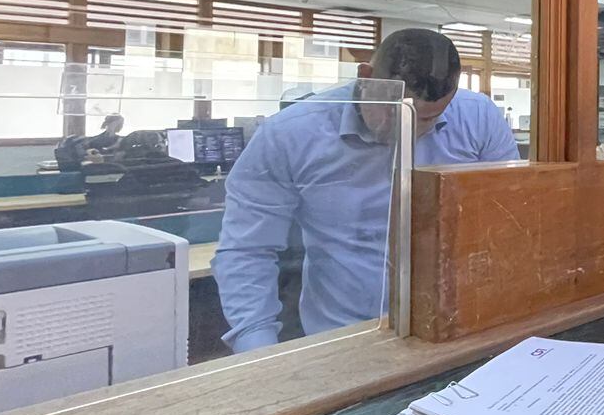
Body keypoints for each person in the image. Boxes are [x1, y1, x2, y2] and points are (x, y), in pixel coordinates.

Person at [214, 28, 518, 352]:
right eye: (393, 112)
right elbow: (247, 249)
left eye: (428, 119)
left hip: (457, 328)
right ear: (365, 76)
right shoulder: (291, 134)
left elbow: (510, 222)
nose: (410, 130)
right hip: (343, 336)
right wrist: (258, 351)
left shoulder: (478, 117)